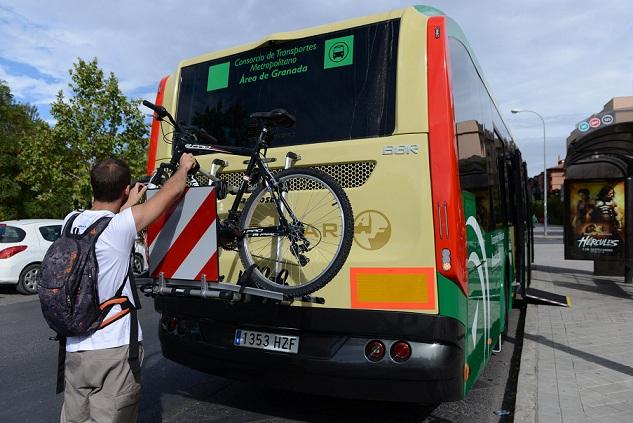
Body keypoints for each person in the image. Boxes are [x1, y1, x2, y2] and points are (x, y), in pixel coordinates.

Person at [60, 153, 196, 423]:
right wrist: (184, 167)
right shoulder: (121, 226)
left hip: (75, 347)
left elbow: (100, 223)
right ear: (124, 189)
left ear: (93, 186)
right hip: (113, 349)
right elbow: (172, 191)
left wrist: (127, 204)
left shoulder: (70, 221)